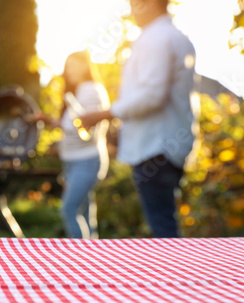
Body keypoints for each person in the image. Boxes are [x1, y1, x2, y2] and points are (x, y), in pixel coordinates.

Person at [80, 0, 196, 238]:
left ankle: (175, 275)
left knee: (163, 230)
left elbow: (152, 96)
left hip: (155, 147)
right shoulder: (176, 37)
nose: (131, 10)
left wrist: (104, 114)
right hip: (167, 146)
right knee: (164, 222)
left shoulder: (155, 39)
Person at [40, 52, 110, 239]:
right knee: (85, 212)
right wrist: (49, 120)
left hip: (86, 160)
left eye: (73, 66)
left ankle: (81, 259)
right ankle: (92, 256)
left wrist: (59, 123)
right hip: (73, 161)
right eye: (67, 66)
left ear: (85, 66)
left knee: (68, 209)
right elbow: (71, 124)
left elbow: (80, 125)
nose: (68, 71)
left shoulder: (90, 90)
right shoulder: (78, 92)